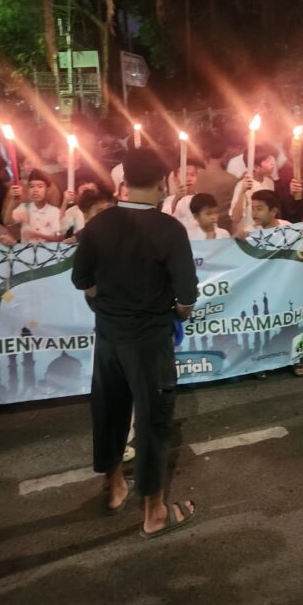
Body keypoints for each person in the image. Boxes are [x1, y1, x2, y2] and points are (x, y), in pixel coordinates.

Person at [72, 147, 198, 535]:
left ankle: (114, 487)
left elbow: (81, 281)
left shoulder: (98, 224)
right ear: (163, 183)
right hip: (149, 340)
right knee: (153, 419)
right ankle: (154, 511)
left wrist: (104, 301)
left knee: (109, 411)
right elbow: (187, 294)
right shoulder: (169, 229)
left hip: (109, 336)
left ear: (124, 181)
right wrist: (178, 313)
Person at [194, 136, 237, 231]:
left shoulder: (196, 176)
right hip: (224, 227)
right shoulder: (231, 180)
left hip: (200, 226)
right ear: (225, 155)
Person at [229, 147, 276, 233]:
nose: (272, 164)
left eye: (271, 160)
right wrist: (243, 192)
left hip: (266, 233)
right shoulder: (242, 185)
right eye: (267, 161)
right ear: (256, 167)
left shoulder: (269, 182)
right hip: (248, 234)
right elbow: (235, 218)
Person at [9, 170, 63, 243]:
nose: (35, 190)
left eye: (40, 186)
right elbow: (8, 221)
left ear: (48, 189)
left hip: (47, 252)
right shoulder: (24, 207)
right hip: (26, 252)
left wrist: (39, 235)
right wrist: (13, 200)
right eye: (32, 186)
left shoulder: (54, 211)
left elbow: (58, 235)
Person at [161, 160, 200, 233]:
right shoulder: (170, 200)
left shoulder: (201, 198)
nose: (189, 179)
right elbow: (164, 221)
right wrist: (176, 200)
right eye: (184, 175)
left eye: (192, 175)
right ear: (175, 179)